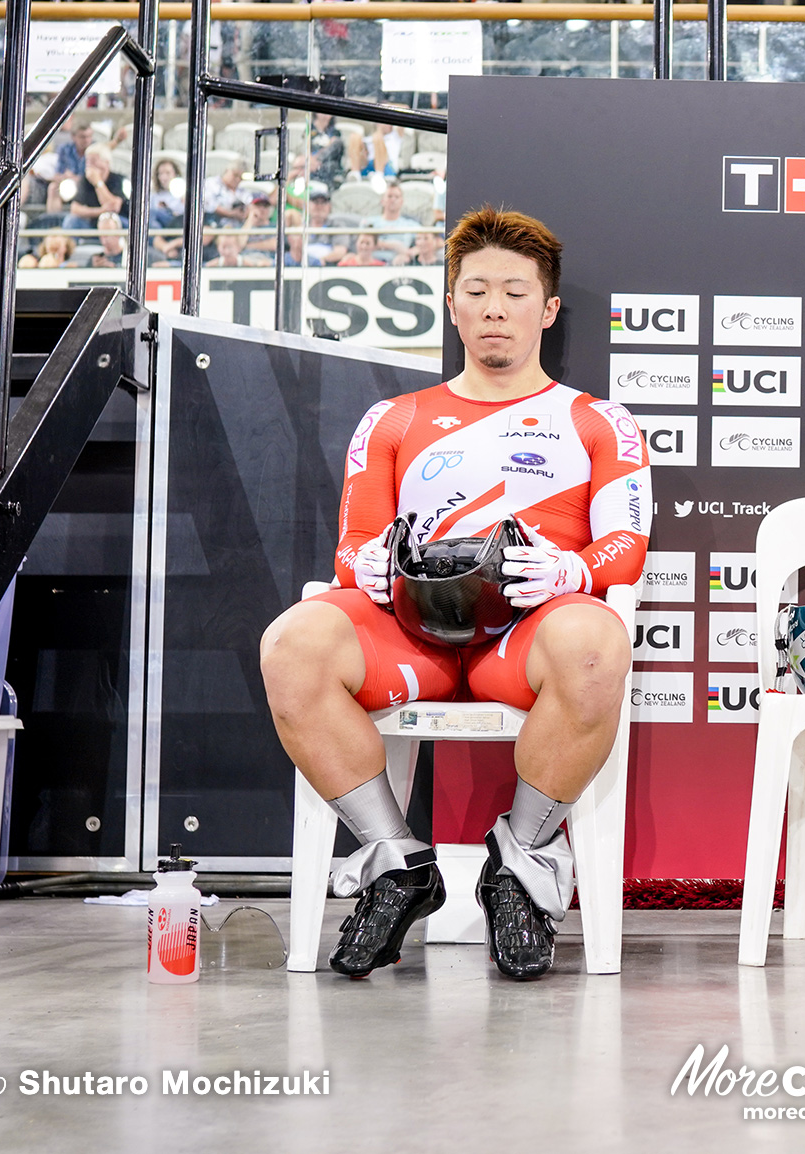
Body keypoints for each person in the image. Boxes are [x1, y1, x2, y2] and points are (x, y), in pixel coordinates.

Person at [260, 208, 649, 980]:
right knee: (291, 643)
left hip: (527, 636)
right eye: (476, 291)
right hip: (413, 637)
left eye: (514, 292)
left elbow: (626, 546)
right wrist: (366, 566)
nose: (495, 308)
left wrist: (573, 572)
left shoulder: (600, 420)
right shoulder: (393, 418)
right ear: (452, 303)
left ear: (548, 309)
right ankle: (398, 864)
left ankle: (522, 865)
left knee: (597, 643)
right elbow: (353, 541)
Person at [364, 180, 422, 256]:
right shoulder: (370, 222)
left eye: (397, 197)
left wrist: (411, 253)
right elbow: (363, 243)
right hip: (373, 265)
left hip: (401, 265)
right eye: (389, 196)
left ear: (402, 202)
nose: (393, 200)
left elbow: (431, 240)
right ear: (382, 201)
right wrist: (394, 245)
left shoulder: (411, 225)